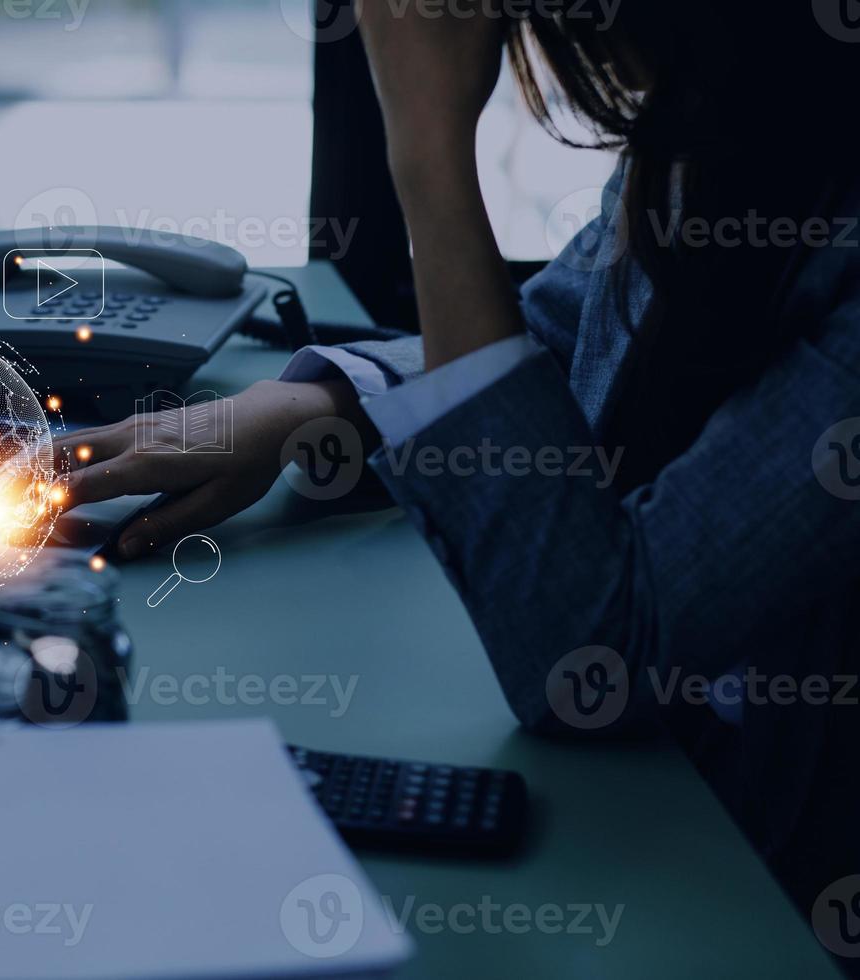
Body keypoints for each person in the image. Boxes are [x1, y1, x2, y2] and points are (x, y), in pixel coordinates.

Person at [57, 1, 860, 966]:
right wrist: (308, 406)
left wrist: (430, 152)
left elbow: (590, 657)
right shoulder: (730, 123)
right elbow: (557, 339)